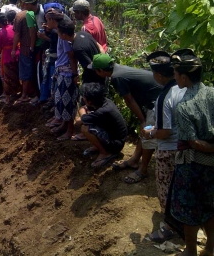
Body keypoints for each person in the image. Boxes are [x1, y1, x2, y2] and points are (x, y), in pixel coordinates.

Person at [165, 49, 214, 256]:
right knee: (211, 205)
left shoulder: (184, 106)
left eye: (176, 73)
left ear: (184, 77)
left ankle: (191, 251)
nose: (174, 77)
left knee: (189, 209)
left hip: (193, 165)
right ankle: (210, 248)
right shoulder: (212, 92)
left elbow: (192, 142)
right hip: (212, 165)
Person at [89, 54, 162, 183]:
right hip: (153, 98)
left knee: (148, 135)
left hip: (158, 100)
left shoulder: (117, 77)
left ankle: (143, 170)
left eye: (95, 70)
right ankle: (134, 160)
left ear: (101, 70)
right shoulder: (118, 69)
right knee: (144, 133)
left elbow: (129, 100)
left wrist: (142, 120)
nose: (95, 72)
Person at [141, 51, 186, 243]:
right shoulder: (185, 88)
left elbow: (165, 131)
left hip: (169, 149)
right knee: (183, 187)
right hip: (187, 147)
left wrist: (150, 133)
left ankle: (169, 227)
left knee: (166, 189)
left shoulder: (164, 98)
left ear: (159, 75)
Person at [45, 9, 78, 140]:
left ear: (53, 20)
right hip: (62, 70)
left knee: (67, 102)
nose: (47, 22)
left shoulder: (63, 36)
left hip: (67, 73)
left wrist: (74, 74)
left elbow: (71, 56)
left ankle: (70, 130)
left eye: (48, 20)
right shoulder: (59, 33)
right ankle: (64, 125)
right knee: (60, 101)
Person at [78, 83, 128, 168]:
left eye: (84, 97)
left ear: (89, 101)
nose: (83, 98)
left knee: (85, 128)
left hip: (116, 144)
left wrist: (82, 109)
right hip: (115, 137)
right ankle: (98, 147)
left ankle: (105, 153)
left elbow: (81, 120)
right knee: (91, 123)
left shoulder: (104, 110)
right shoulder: (104, 101)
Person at [12, 0, 35, 104]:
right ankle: (32, 92)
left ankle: (24, 95)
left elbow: (16, 34)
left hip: (25, 48)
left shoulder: (20, 16)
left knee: (25, 71)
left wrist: (13, 49)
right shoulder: (34, 13)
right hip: (35, 47)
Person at [0, 12, 20, 105]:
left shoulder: (1, 32)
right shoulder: (13, 28)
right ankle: (16, 93)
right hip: (17, 53)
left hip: (7, 55)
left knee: (7, 77)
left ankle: (8, 98)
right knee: (15, 75)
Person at [24, 0, 43, 104]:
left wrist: (31, 47)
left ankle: (39, 96)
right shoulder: (37, 12)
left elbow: (32, 32)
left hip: (38, 46)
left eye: (25, 3)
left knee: (37, 72)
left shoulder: (29, 14)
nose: (24, 5)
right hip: (41, 45)